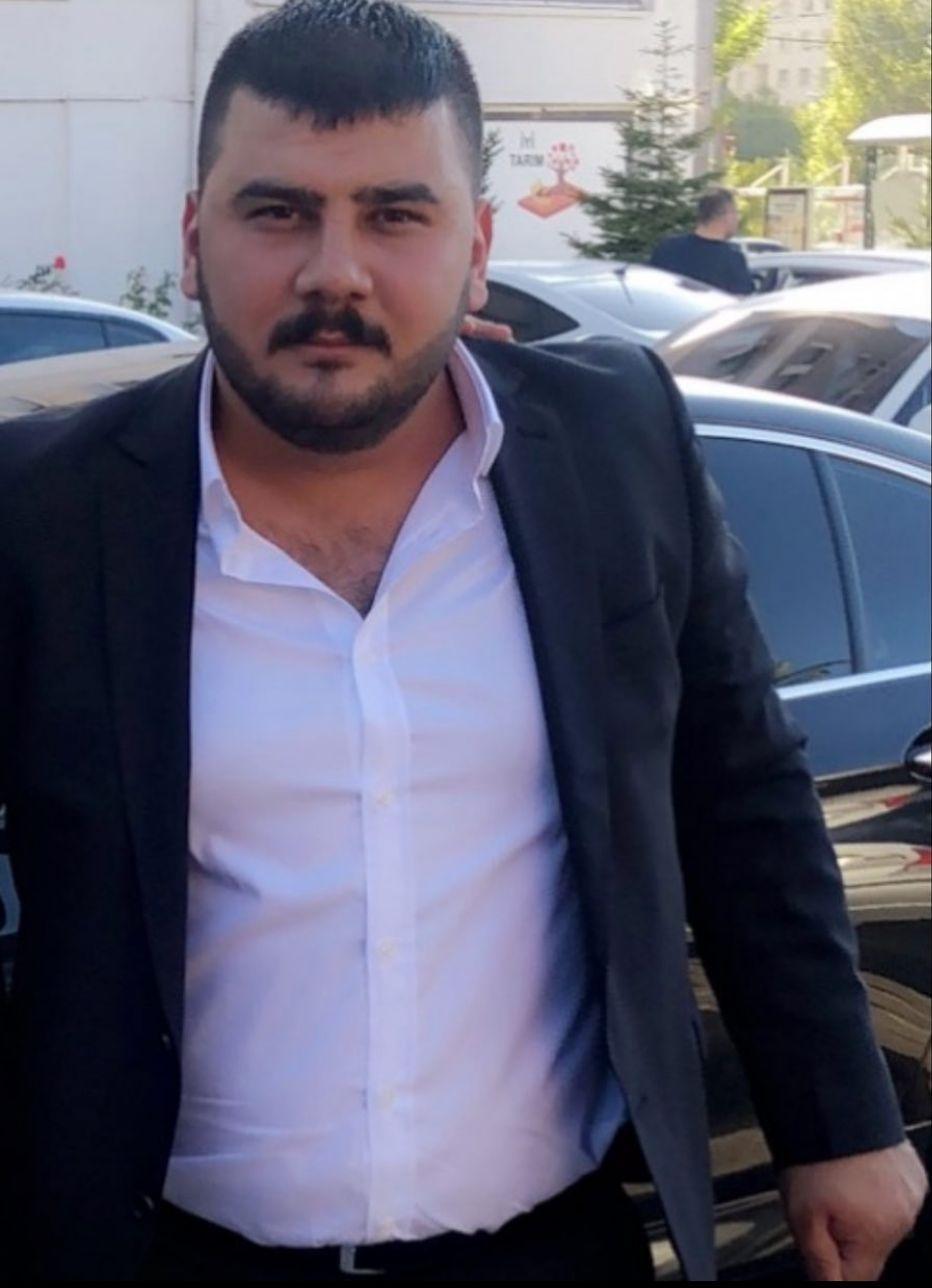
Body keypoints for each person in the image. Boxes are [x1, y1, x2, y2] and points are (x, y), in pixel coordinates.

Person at [0, 1, 926, 1281]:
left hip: (551, 1247)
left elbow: (738, 794)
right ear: (194, 239)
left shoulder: (611, 448)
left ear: (476, 248)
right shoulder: (46, 511)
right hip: (171, 1252)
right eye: (277, 212)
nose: (335, 272)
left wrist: (839, 1121)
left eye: (395, 214)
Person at [650, 188, 756, 295]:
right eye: (736, 213)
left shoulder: (667, 249)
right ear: (726, 216)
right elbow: (741, 300)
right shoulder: (732, 260)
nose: (738, 219)